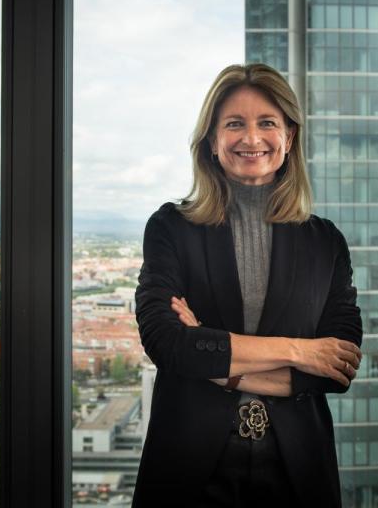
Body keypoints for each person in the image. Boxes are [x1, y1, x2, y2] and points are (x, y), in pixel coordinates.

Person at [132, 63, 363, 507]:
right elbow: (166, 342)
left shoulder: (325, 242)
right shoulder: (171, 228)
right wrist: (300, 351)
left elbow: (338, 369)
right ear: (211, 140)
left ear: (289, 137)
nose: (252, 138)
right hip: (190, 467)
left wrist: (213, 358)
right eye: (234, 123)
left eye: (268, 123)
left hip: (297, 469)